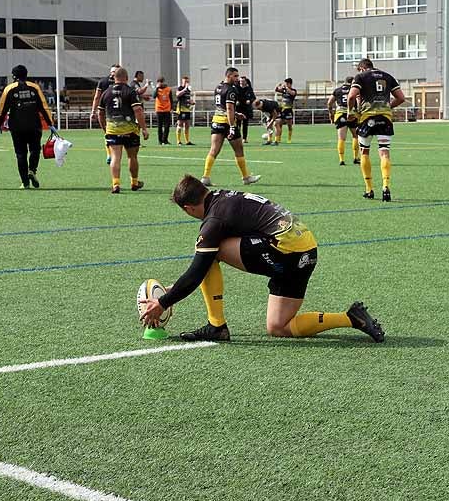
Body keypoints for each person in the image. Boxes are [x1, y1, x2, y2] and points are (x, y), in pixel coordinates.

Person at [140, 174, 385, 344]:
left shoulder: (213, 221)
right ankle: (350, 318)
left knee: (210, 252)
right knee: (278, 327)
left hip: (285, 251)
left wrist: (164, 302)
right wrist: (173, 290)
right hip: (307, 251)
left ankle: (216, 326)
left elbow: (197, 272)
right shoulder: (225, 197)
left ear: (188, 208)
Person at [346, 58, 405, 202]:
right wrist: (388, 107)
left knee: (364, 151)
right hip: (385, 118)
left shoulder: (360, 77)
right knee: (384, 152)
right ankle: (386, 186)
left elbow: (352, 95)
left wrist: (350, 111)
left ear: (361, 68)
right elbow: (401, 98)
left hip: (367, 118)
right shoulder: (387, 76)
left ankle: (369, 189)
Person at [0, 65, 59, 189]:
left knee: (20, 154)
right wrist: (50, 124)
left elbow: (2, 109)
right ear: (26, 74)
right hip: (34, 125)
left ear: (14, 76)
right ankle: (32, 170)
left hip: (17, 127)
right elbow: (43, 107)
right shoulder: (34, 87)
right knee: (35, 150)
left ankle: (25, 182)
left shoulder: (9, 89)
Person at [202, 67, 260, 187]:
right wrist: (232, 126)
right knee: (239, 150)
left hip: (216, 121)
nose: (237, 79)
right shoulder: (231, 90)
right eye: (235, 76)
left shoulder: (218, 87)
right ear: (228, 76)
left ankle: (205, 177)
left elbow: (222, 107)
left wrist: (236, 113)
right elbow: (229, 108)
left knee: (214, 150)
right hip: (227, 123)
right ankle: (246, 177)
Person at [97, 66, 149, 193]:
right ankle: (134, 183)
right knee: (132, 157)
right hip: (130, 130)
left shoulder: (106, 92)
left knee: (115, 157)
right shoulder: (131, 91)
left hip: (113, 130)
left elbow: (100, 113)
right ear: (126, 78)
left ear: (114, 78)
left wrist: (105, 127)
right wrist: (144, 129)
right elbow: (138, 110)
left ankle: (116, 184)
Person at [327, 76, 358, 166]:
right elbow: (358, 101)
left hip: (340, 114)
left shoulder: (337, 90)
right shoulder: (354, 90)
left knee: (341, 138)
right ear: (352, 82)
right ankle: (356, 158)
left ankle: (341, 159)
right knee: (355, 136)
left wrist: (331, 113)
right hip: (352, 114)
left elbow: (329, 103)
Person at [91, 65, 119, 166]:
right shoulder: (103, 82)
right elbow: (97, 97)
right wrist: (93, 111)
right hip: (105, 111)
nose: (113, 73)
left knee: (113, 133)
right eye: (112, 71)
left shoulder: (120, 82)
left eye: (115, 71)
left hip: (117, 112)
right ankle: (109, 154)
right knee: (108, 133)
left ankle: (112, 154)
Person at [273, 78, 298, 144]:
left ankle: (289, 139)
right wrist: (278, 85)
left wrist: (286, 88)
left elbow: (292, 93)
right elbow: (276, 90)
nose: (285, 84)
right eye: (285, 83)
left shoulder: (293, 90)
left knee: (289, 125)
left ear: (290, 84)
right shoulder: (284, 90)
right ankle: (278, 139)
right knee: (279, 124)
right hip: (282, 109)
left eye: (287, 83)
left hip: (289, 109)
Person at [153, 76, 174, 145]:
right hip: (159, 109)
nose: (161, 83)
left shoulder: (168, 89)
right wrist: (156, 88)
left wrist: (172, 108)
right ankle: (160, 140)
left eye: (162, 82)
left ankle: (165, 140)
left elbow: (171, 99)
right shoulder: (157, 89)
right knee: (160, 126)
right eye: (159, 82)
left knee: (167, 126)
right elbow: (154, 96)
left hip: (167, 109)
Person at [174, 75, 194, 145]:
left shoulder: (188, 90)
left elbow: (187, 98)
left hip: (187, 109)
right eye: (185, 81)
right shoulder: (180, 88)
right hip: (181, 109)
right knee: (180, 124)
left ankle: (187, 141)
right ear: (182, 81)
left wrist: (191, 102)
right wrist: (185, 89)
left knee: (187, 125)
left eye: (188, 81)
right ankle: (178, 141)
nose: (187, 82)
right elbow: (177, 95)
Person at [236, 75, 255, 141]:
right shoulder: (236, 88)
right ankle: (237, 137)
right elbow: (233, 96)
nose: (241, 82)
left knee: (245, 124)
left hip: (246, 109)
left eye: (243, 81)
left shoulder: (249, 89)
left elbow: (253, 97)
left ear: (245, 81)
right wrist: (236, 101)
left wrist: (250, 100)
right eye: (240, 81)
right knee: (238, 124)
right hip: (238, 108)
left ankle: (244, 138)